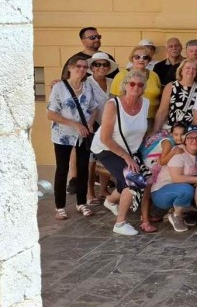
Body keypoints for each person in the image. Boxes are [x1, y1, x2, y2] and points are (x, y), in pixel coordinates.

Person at [91, 70, 150, 236]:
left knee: (135, 178)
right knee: (133, 181)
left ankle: (110, 201)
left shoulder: (145, 103)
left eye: (140, 84)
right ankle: (120, 223)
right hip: (107, 148)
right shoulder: (113, 104)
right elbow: (105, 137)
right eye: (132, 84)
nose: (136, 87)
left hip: (130, 150)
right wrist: (126, 157)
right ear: (125, 85)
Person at [48, 56, 100, 220]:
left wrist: (90, 122)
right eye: (79, 66)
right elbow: (51, 114)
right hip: (63, 135)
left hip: (82, 134)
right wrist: (75, 124)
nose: (82, 69)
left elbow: (94, 108)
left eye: (85, 67)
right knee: (62, 169)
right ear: (70, 68)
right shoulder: (59, 87)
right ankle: (60, 207)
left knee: (83, 168)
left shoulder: (88, 87)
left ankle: (81, 203)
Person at [151, 124, 197, 233]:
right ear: (185, 140)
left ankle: (184, 213)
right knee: (187, 190)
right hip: (162, 192)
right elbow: (177, 178)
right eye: (190, 138)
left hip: (180, 188)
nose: (194, 140)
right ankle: (176, 215)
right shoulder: (179, 151)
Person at [85, 52, 116, 205]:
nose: (101, 67)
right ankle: (90, 192)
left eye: (105, 64)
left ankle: (103, 189)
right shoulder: (86, 82)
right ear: (92, 67)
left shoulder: (112, 82)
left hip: (109, 124)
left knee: (106, 157)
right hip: (92, 125)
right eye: (97, 64)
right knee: (91, 161)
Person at [110, 46, 162, 120]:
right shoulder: (121, 75)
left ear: (149, 60)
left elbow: (160, 97)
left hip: (152, 119)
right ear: (132, 59)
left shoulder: (154, 76)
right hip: (127, 118)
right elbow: (112, 99)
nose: (141, 60)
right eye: (137, 57)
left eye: (145, 57)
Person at [153, 59, 197, 132]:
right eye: (188, 68)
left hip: (193, 131)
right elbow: (162, 111)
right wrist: (155, 130)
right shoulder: (170, 86)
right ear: (181, 70)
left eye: (194, 69)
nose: (191, 71)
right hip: (173, 130)